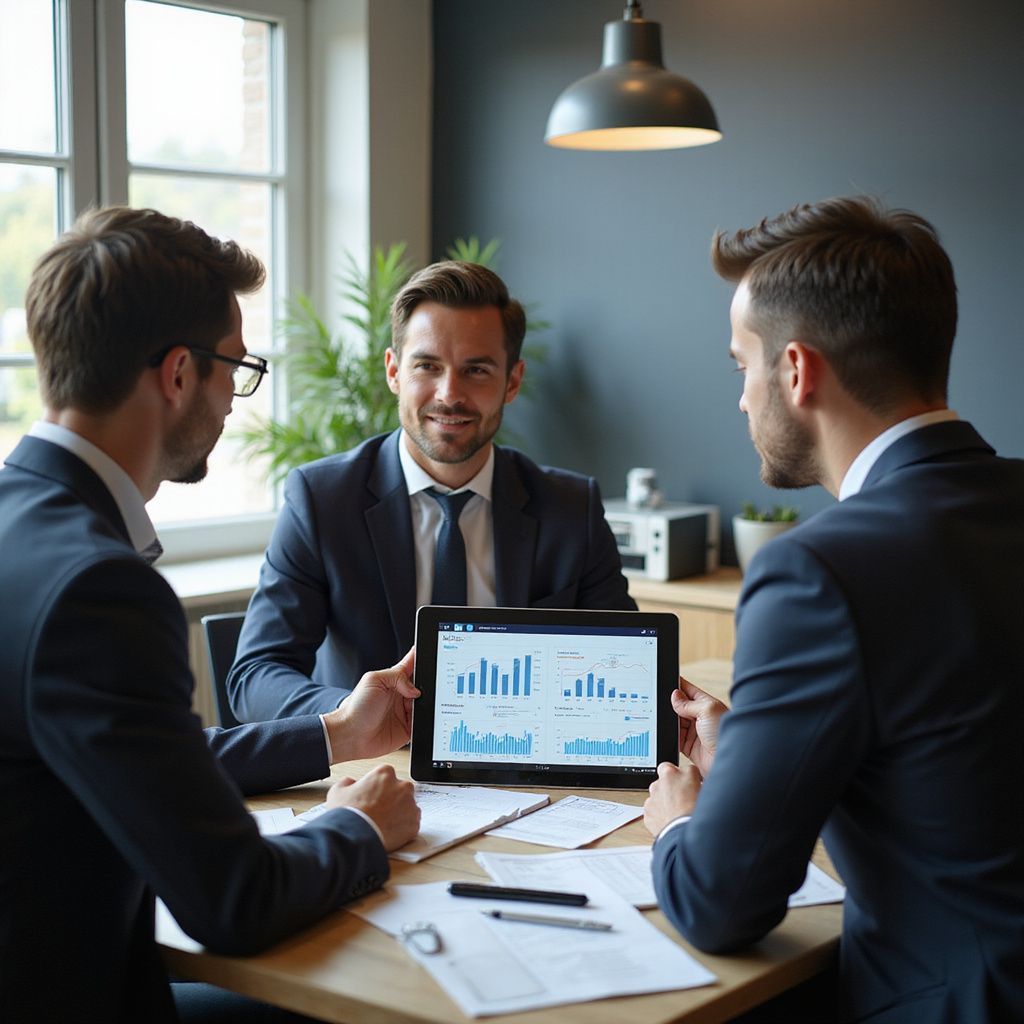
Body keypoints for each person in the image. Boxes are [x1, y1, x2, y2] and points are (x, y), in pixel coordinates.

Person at [0, 206, 423, 1024]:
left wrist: (335, 734)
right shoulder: (100, 589)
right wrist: (356, 828)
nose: (235, 396)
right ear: (179, 374)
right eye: (235, 366)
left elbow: (142, 760)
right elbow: (236, 899)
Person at [643, 196, 1024, 1022]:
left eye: (741, 365)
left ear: (795, 371)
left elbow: (720, 904)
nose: (742, 399)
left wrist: (680, 822)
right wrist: (750, 743)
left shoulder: (817, 572)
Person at [228, 259, 635, 722]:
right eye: (427, 365)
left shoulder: (570, 507)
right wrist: (355, 716)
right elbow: (257, 676)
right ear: (393, 371)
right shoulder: (322, 500)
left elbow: (625, 668)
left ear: (513, 381)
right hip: (375, 771)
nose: (448, 394)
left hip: (523, 767)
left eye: (477, 370)